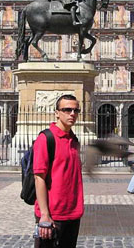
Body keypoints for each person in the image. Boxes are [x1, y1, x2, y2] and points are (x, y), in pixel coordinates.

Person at [33, 94, 83, 248]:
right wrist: (45, 214)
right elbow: (39, 177)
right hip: (53, 214)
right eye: (67, 110)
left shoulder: (74, 140)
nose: (72, 114)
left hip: (73, 213)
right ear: (57, 113)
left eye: (76, 110)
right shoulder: (46, 138)